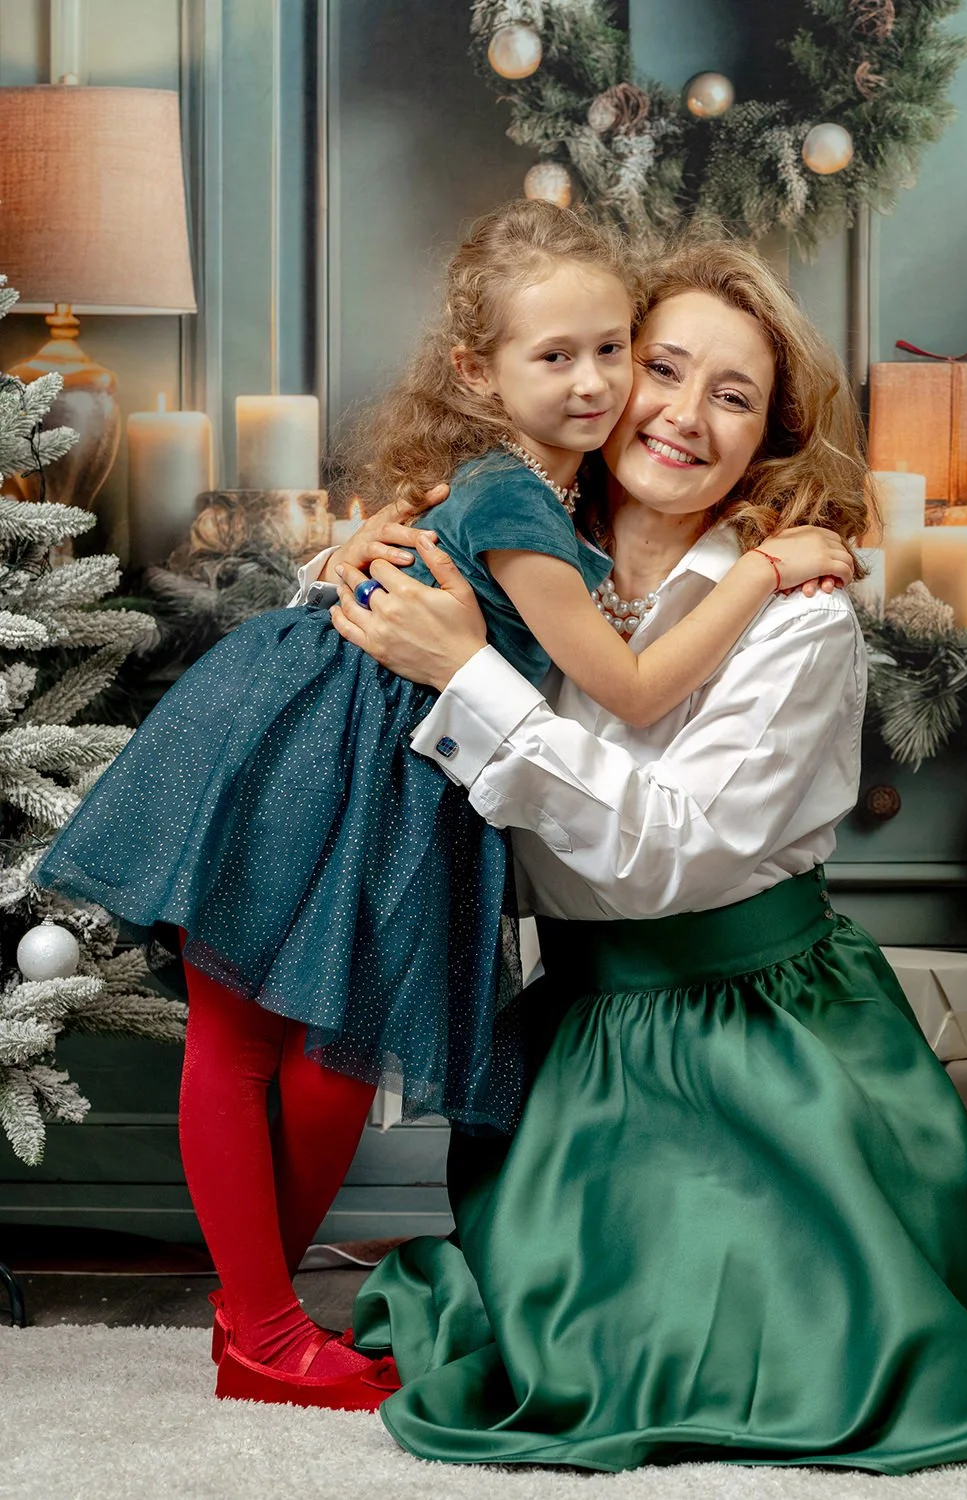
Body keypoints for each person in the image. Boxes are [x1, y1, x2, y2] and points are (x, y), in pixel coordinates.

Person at [316, 235, 967, 1471]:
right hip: (581, 1038)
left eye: (732, 396)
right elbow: (342, 644)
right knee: (570, 1354)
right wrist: (354, 558)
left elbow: (667, 859)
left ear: (773, 437)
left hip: (771, 1047)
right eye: (662, 369)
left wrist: (465, 674)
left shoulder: (800, 614)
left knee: (768, 1354)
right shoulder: (513, 550)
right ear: (600, 376)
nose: (684, 416)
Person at [35, 202, 848, 1412]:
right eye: (569, 356)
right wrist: (770, 572)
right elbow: (620, 681)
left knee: (333, 1055)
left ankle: (252, 1317)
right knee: (253, 1037)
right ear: (479, 371)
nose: (607, 386)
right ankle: (258, 1324)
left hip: (396, 770)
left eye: (613, 350)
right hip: (317, 746)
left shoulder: (554, 500)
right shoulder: (523, 498)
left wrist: (368, 549)